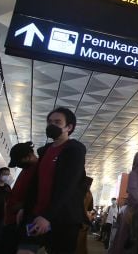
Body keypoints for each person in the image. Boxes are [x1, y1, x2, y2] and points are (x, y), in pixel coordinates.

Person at [17, 106, 87, 254]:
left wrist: (47, 216)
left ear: (69, 127)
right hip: (36, 215)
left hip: (63, 218)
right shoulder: (44, 150)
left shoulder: (75, 150)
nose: (51, 125)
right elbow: (36, 184)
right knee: (25, 249)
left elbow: (68, 186)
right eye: (49, 122)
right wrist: (26, 207)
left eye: (57, 122)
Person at [0, 142, 39, 254]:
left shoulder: (40, 169)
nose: (18, 165)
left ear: (28, 156)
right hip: (12, 222)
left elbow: (42, 195)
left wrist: (23, 206)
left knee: (25, 249)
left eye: (19, 162)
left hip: (27, 221)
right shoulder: (27, 169)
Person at [76, 176, 94, 254]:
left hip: (75, 219)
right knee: (82, 243)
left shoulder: (78, 192)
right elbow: (90, 208)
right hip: (84, 221)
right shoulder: (89, 193)